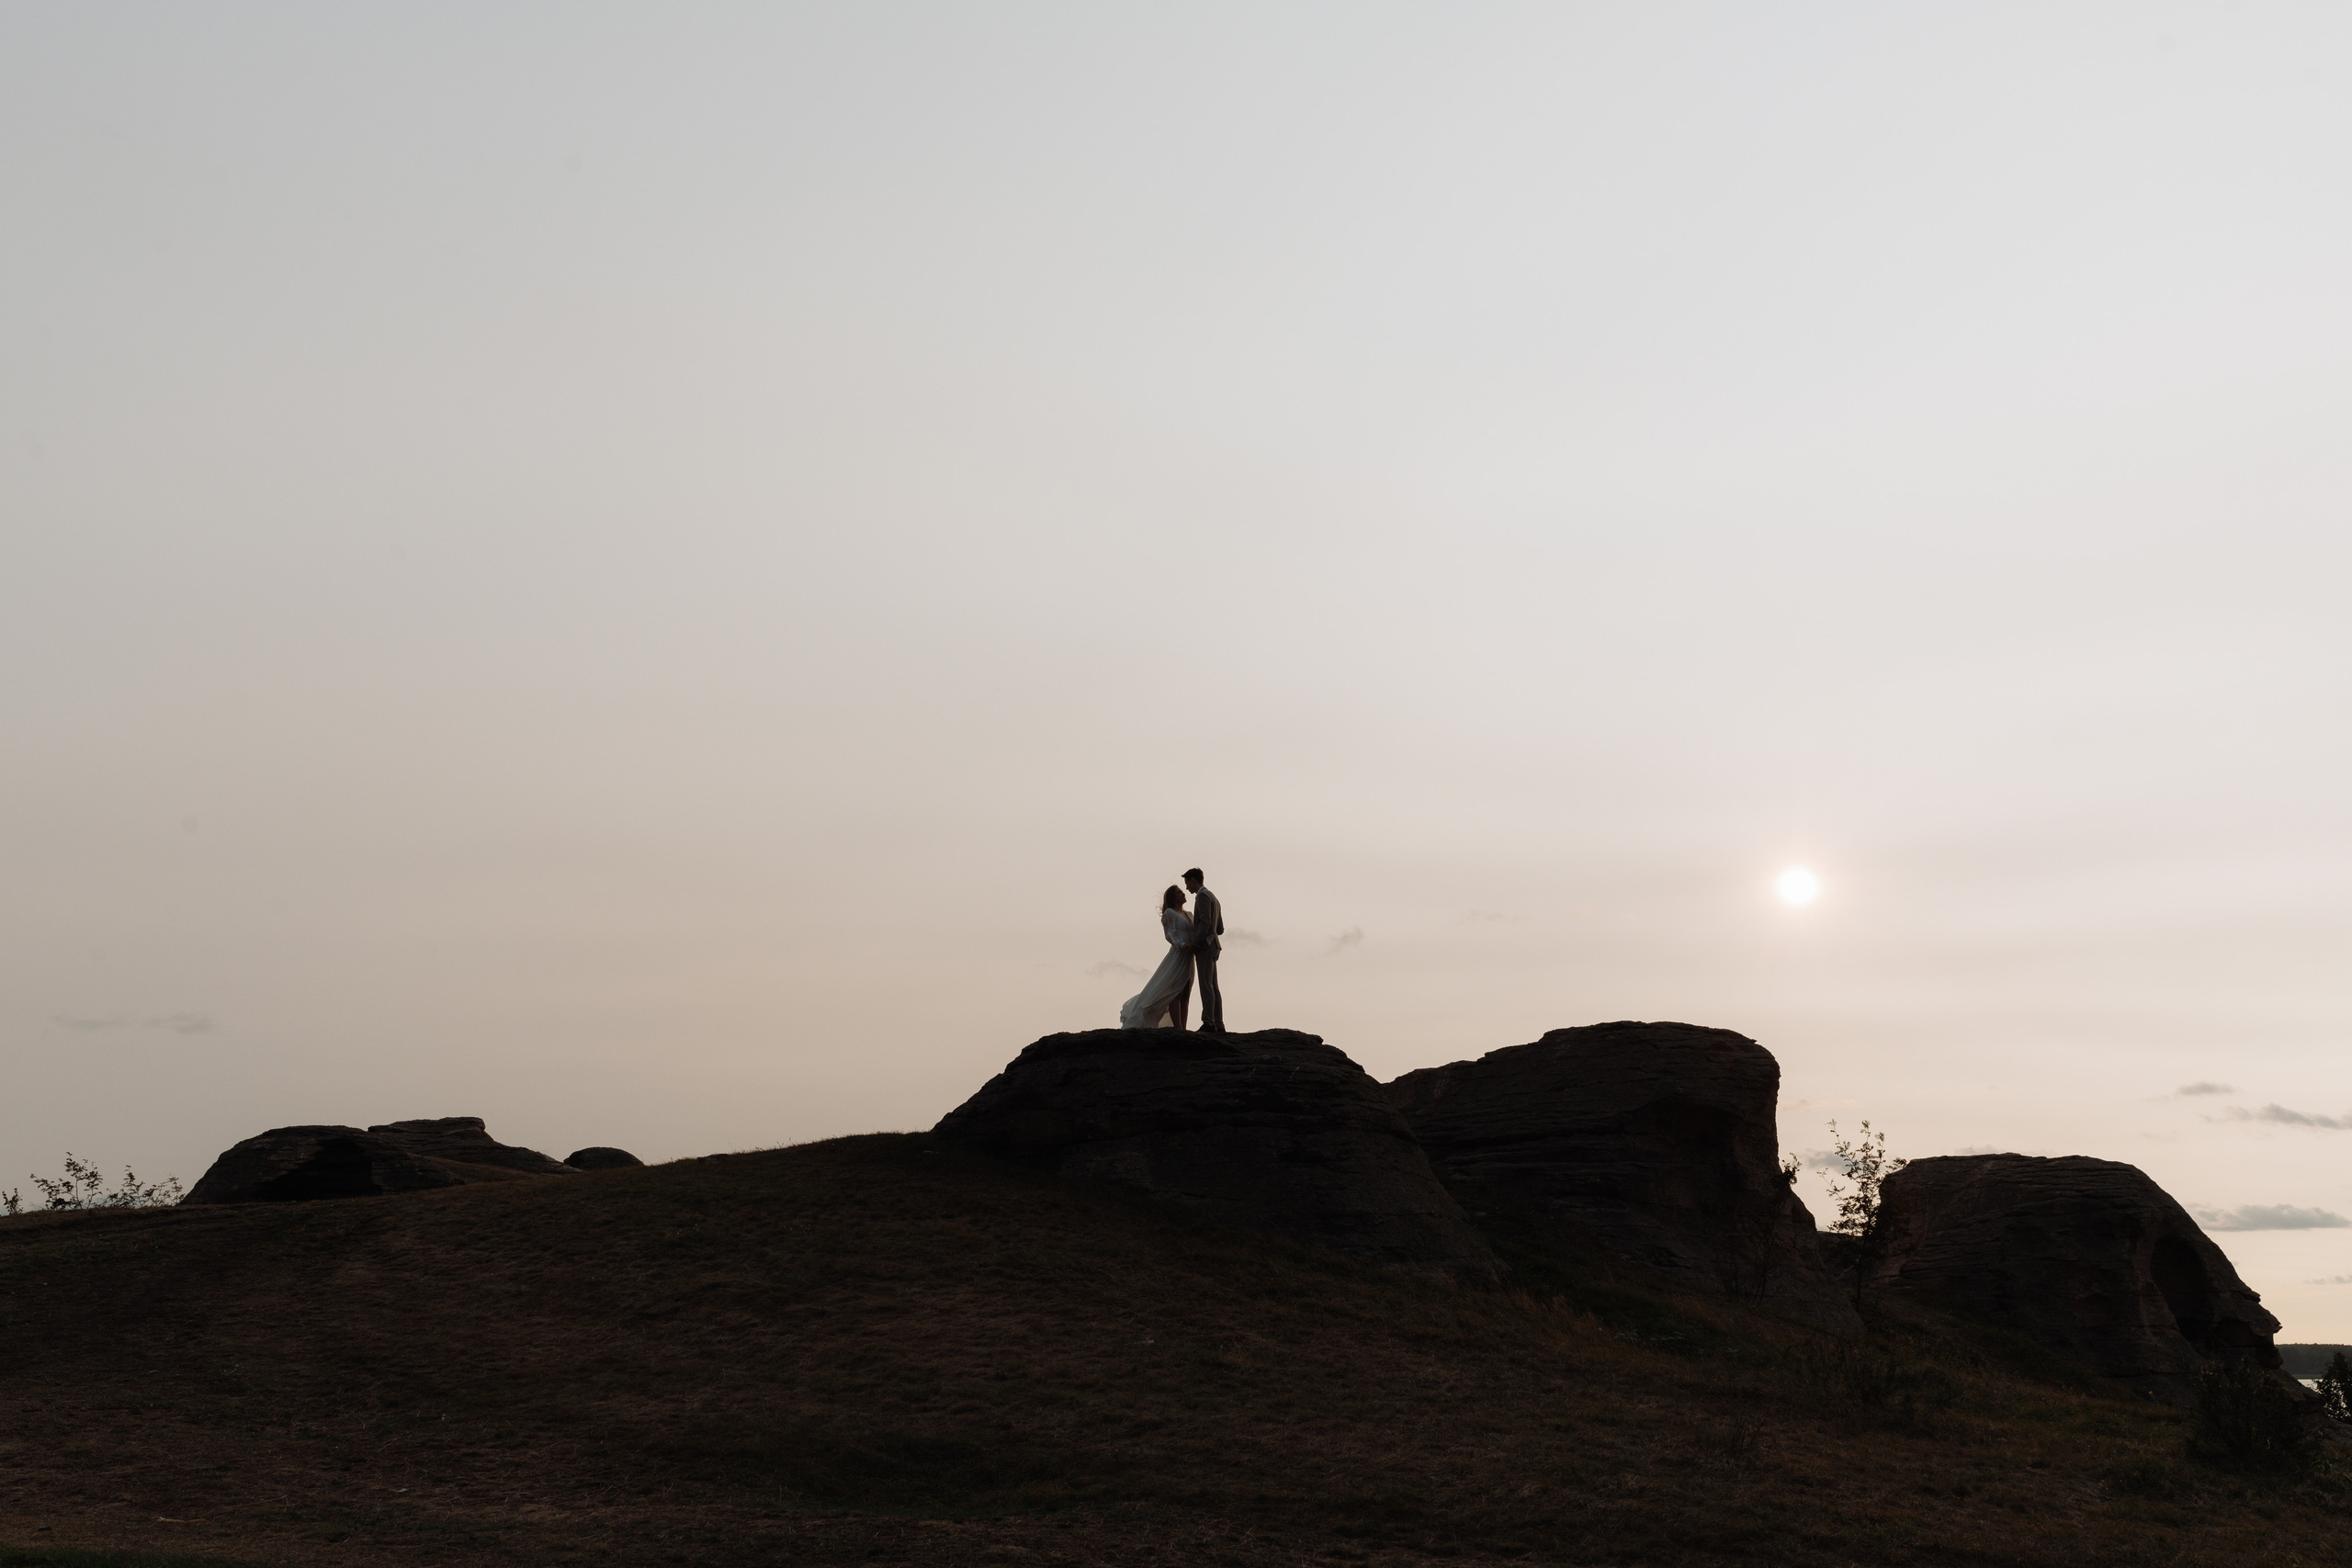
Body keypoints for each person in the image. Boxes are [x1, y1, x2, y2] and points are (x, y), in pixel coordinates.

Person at [1116, 885, 1197, 1029]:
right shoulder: (1170, 913)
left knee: (1186, 993)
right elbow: (1169, 934)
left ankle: (1183, 1027)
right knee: (1175, 991)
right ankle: (1178, 1027)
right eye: (1179, 892)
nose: (1183, 894)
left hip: (1189, 956)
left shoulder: (1190, 915)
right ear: (1173, 897)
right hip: (1178, 955)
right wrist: (1181, 944)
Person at [1182, 867, 1224, 1032]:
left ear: (1194, 880)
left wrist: (1194, 942)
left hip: (1206, 946)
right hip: (1214, 945)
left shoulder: (1202, 896)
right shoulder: (1214, 898)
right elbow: (1219, 928)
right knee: (1213, 986)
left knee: (1206, 985)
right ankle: (1218, 1023)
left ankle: (1209, 1022)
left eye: (1187, 883)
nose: (1186, 887)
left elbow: (1205, 922)